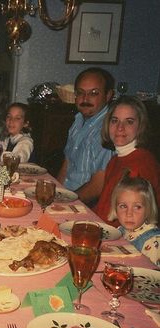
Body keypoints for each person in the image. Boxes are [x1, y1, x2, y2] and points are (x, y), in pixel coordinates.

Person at [94, 96, 160, 225]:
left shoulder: (141, 166)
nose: (120, 127)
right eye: (115, 120)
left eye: (129, 122)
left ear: (140, 126)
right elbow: (103, 209)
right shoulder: (115, 160)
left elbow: (130, 223)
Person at [57, 67, 115, 205]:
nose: (85, 99)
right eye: (80, 93)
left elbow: (98, 186)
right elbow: (67, 164)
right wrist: (54, 193)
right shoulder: (78, 121)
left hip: (87, 204)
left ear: (108, 95)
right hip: (67, 196)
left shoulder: (107, 129)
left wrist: (65, 204)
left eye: (94, 93)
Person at [107, 174, 160, 265]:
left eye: (137, 207)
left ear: (148, 209)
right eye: (123, 206)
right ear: (115, 208)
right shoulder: (121, 230)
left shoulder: (152, 242)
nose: (129, 214)